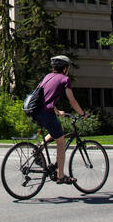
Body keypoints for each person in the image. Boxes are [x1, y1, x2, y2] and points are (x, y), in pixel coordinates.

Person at [34, 55, 87, 185]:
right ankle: (61, 176)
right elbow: (72, 101)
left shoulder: (48, 77)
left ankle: (39, 148)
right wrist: (83, 113)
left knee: (58, 132)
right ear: (65, 68)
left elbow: (45, 99)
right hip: (47, 113)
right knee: (61, 143)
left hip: (37, 112)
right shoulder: (65, 79)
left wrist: (58, 112)